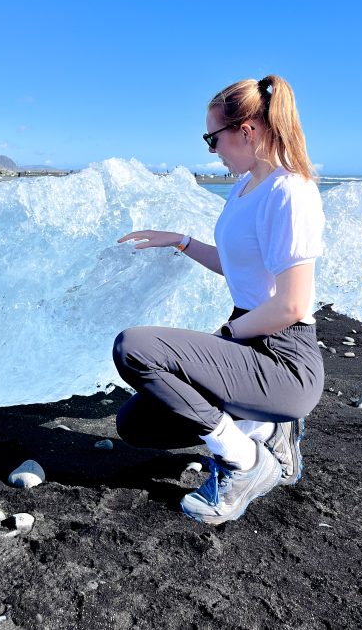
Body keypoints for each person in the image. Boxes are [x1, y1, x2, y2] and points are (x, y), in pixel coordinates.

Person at [114, 75, 325, 526]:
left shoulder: (290, 192)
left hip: (283, 357)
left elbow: (291, 304)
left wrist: (226, 337)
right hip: (248, 342)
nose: (211, 150)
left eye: (213, 138)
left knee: (134, 348)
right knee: (136, 425)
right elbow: (241, 266)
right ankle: (267, 428)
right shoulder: (245, 187)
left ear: (247, 131)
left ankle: (246, 461)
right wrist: (182, 241)